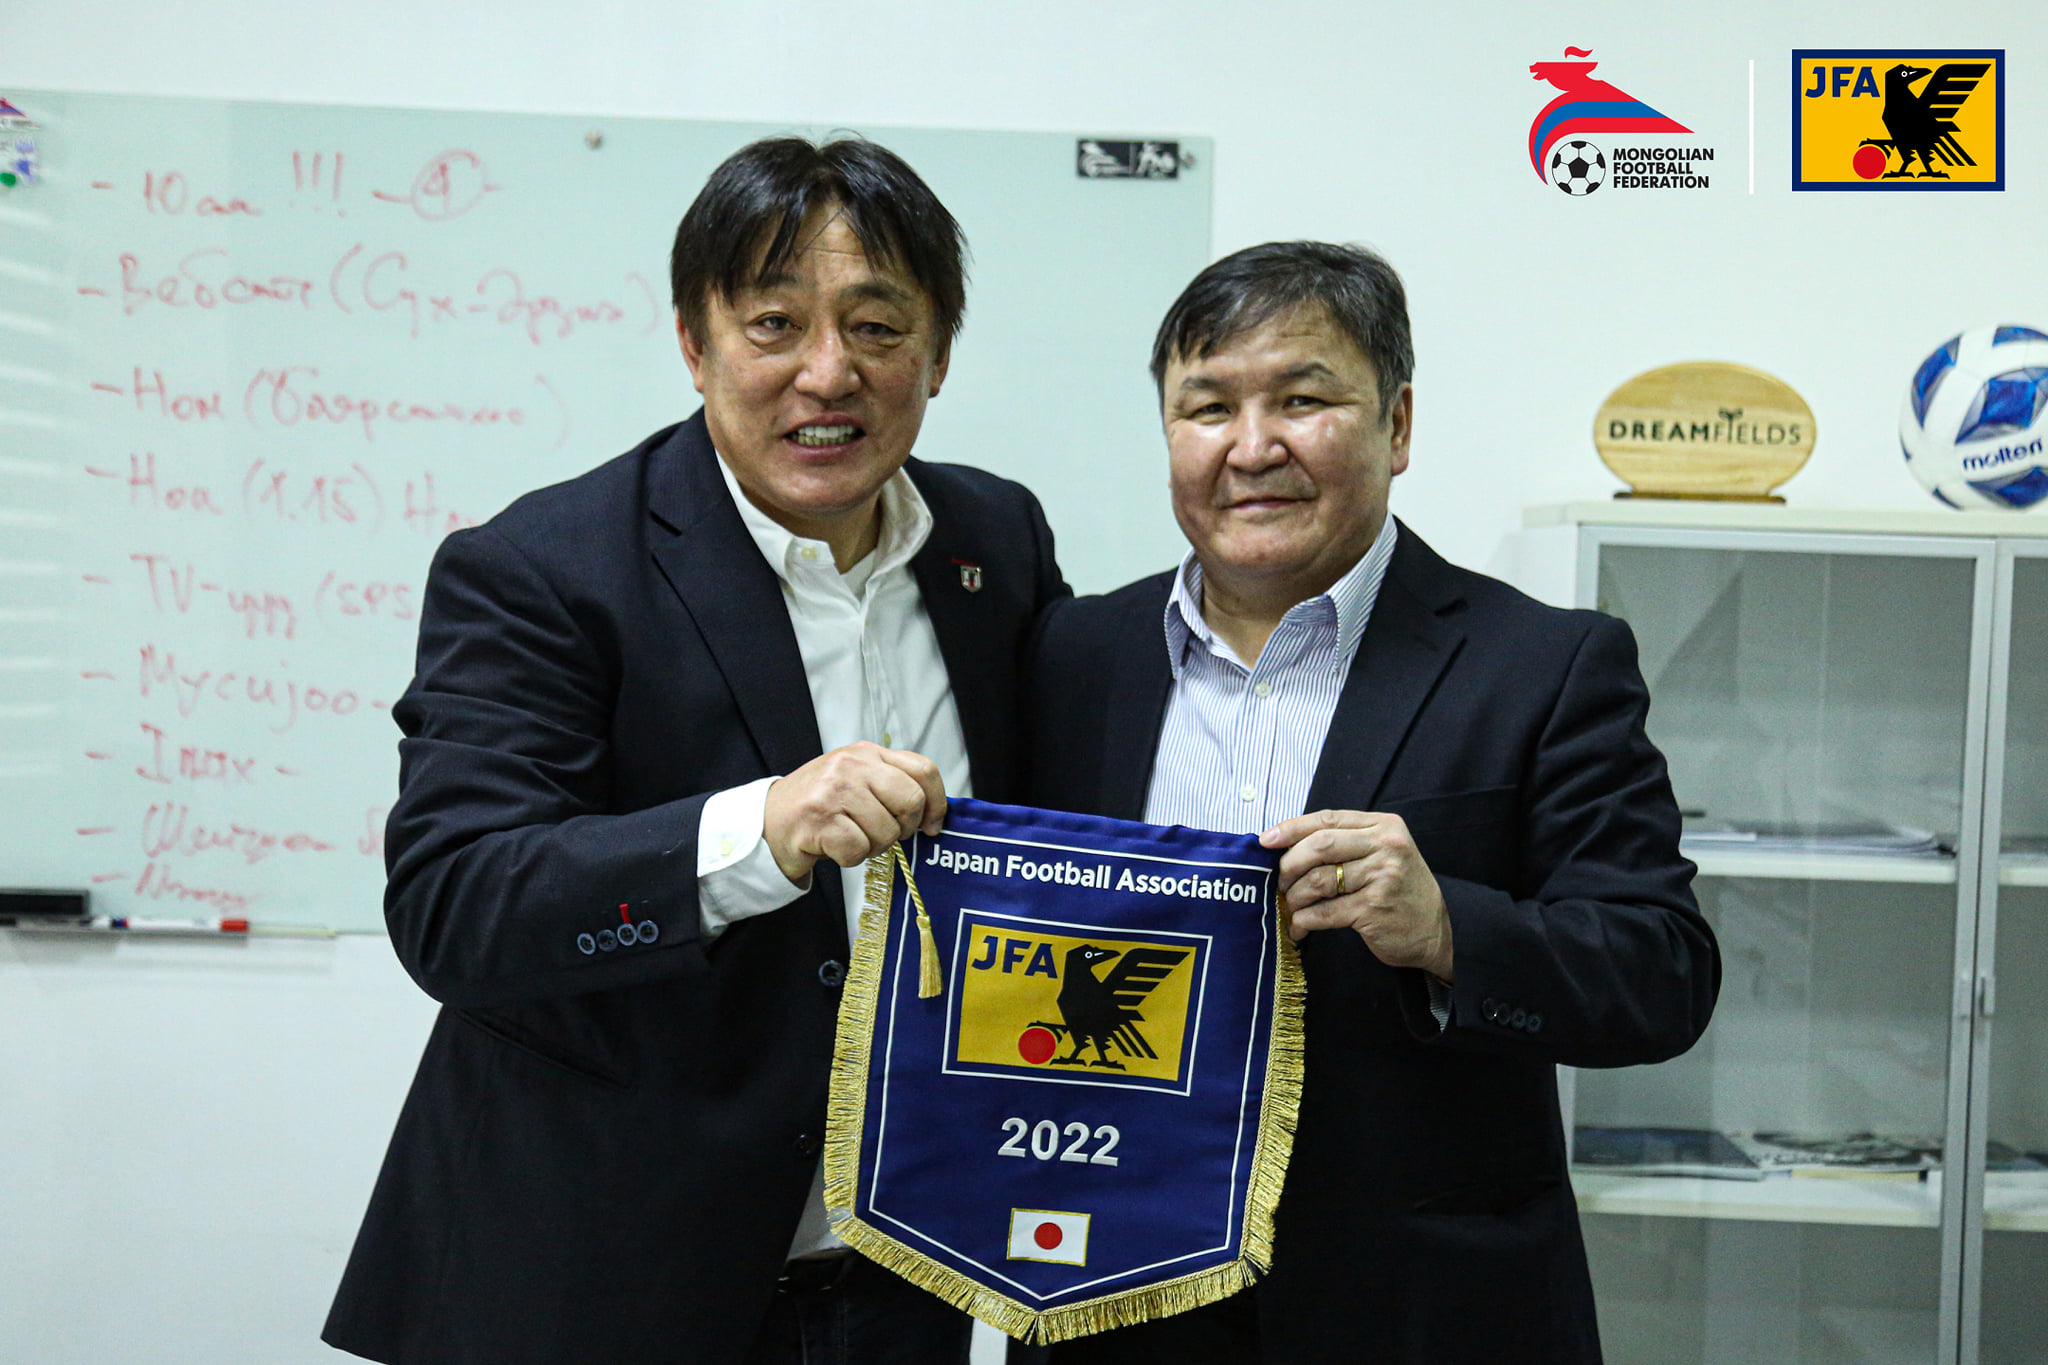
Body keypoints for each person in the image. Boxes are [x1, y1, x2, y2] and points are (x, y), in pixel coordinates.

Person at [323, 136, 1067, 1365]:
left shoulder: (994, 539)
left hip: (900, 1278)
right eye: (773, 324)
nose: (827, 373)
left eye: (876, 327)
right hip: (599, 1283)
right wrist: (760, 833)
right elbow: (456, 906)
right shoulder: (543, 570)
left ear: (937, 353)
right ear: (693, 342)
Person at [1024, 241, 1718, 1363]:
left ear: (1396, 425)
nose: (1253, 446)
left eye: (1303, 400)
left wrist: (1448, 929)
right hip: (1117, 1293)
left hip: (1421, 1310)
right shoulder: (1074, 653)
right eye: (1208, 407)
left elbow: (1661, 972)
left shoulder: (1541, 664)